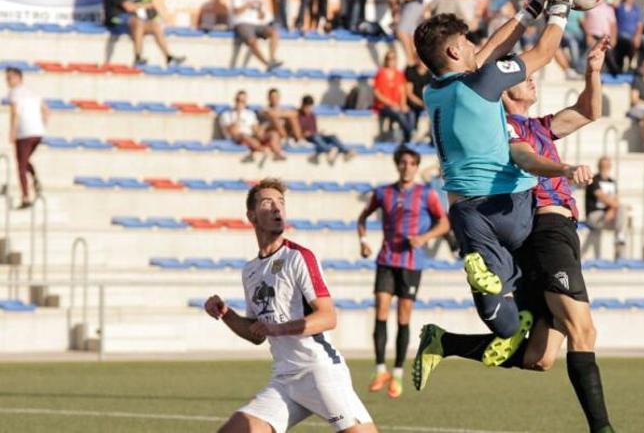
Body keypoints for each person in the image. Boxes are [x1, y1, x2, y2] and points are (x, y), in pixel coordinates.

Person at [413, 37, 616, 433]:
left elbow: (589, 111)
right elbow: (525, 158)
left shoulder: (537, 125)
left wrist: (593, 71)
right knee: (584, 329)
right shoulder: (500, 127)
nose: (531, 78)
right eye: (524, 77)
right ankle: (603, 429)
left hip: (555, 233)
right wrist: (562, 169)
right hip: (545, 229)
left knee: (538, 358)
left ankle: (446, 342)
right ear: (502, 94)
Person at [415, 0, 573, 363]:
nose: (474, 45)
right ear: (453, 50)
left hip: (466, 212)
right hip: (511, 203)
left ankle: (487, 282)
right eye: (466, 42)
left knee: (503, 325)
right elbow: (544, 50)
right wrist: (559, 7)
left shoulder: (434, 89)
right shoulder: (483, 82)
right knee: (525, 319)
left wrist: (529, 8)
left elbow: (490, 50)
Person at [204, 179, 377, 433]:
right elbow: (256, 334)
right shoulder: (250, 271)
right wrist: (226, 314)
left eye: (281, 203)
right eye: (267, 203)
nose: (277, 208)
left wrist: (279, 329)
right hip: (285, 379)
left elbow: (328, 317)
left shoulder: (298, 257)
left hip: (320, 371)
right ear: (251, 216)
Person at [356, 146, 450, 399]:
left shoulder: (426, 194)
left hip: (411, 263)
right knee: (381, 310)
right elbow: (362, 217)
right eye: (403, 162)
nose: (406, 166)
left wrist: (424, 237)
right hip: (386, 259)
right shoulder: (383, 192)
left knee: (403, 317)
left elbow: (444, 222)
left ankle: (397, 373)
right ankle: (379, 370)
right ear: (397, 164)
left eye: (411, 163)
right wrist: (363, 241)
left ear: (416, 166)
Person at [102, 0, 185, 66]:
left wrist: (143, 2)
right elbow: (129, 7)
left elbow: (131, 4)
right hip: (114, 19)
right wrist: (145, 5)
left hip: (127, 20)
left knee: (155, 25)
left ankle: (169, 57)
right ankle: (137, 56)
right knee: (138, 22)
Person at [5, 68, 47, 209]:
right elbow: (46, 110)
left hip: (24, 133)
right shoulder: (33, 93)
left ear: (18, 77)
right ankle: (35, 178)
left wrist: (12, 131)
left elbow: (15, 113)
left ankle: (25, 196)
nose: (8, 81)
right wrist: (42, 126)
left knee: (21, 165)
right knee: (25, 160)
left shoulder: (14, 93)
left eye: (10, 78)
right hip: (37, 133)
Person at [232, 0, 282, 71]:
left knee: (274, 32)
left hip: (257, 24)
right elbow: (236, 11)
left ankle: (272, 58)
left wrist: (260, 11)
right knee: (252, 41)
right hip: (242, 22)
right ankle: (266, 63)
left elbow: (262, 16)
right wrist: (248, 4)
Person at [221, 90, 285, 163]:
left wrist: (264, 128)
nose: (240, 103)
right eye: (238, 100)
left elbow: (256, 130)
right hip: (238, 138)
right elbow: (233, 132)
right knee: (244, 136)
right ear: (235, 100)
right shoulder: (226, 115)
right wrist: (238, 115)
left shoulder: (250, 114)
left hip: (251, 137)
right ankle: (262, 149)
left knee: (273, 134)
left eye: (243, 101)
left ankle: (277, 153)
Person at [585, 156, 628, 259]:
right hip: (595, 216)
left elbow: (615, 201)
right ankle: (619, 240)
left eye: (607, 165)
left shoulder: (612, 182)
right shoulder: (594, 180)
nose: (605, 167)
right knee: (622, 211)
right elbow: (603, 197)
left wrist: (612, 210)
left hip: (608, 215)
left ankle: (620, 246)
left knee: (622, 212)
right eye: (603, 165)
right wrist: (613, 208)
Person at [298, 95, 354, 163]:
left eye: (310, 108)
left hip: (315, 135)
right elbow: (297, 131)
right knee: (316, 137)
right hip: (308, 137)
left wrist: (319, 132)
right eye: (307, 108)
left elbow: (314, 129)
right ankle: (329, 150)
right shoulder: (297, 115)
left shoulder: (312, 115)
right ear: (302, 105)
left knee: (332, 136)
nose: (308, 110)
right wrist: (304, 133)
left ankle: (346, 151)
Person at [373, 51, 413, 143]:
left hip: (397, 105)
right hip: (383, 105)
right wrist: (391, 103)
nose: (391, 61)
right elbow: (377, 93)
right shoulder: (381, 73)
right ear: (385, 60)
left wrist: (403, 104)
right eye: (389, 58)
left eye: (393, 58)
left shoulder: (399, 74)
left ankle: (407, 137)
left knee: (410, 113)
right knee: (399, 114)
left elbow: (402, 91)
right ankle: (409, 134)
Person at [613, 0, 643, 72]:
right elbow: (614, 2)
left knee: (638, 42)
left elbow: (640, 24)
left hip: (633, 35)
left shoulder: (636, 9)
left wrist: (637, 36)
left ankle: (632, 62)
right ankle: (624, 63)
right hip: (621, 34)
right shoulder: (620, 7)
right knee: (624, 41)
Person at [404, 58, 431, 128]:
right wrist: (422, 103)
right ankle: (411, 132)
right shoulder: (411, 71)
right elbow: (409, 94)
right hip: (413, 104)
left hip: (425, 103)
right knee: (411, 114)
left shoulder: (430, 74)